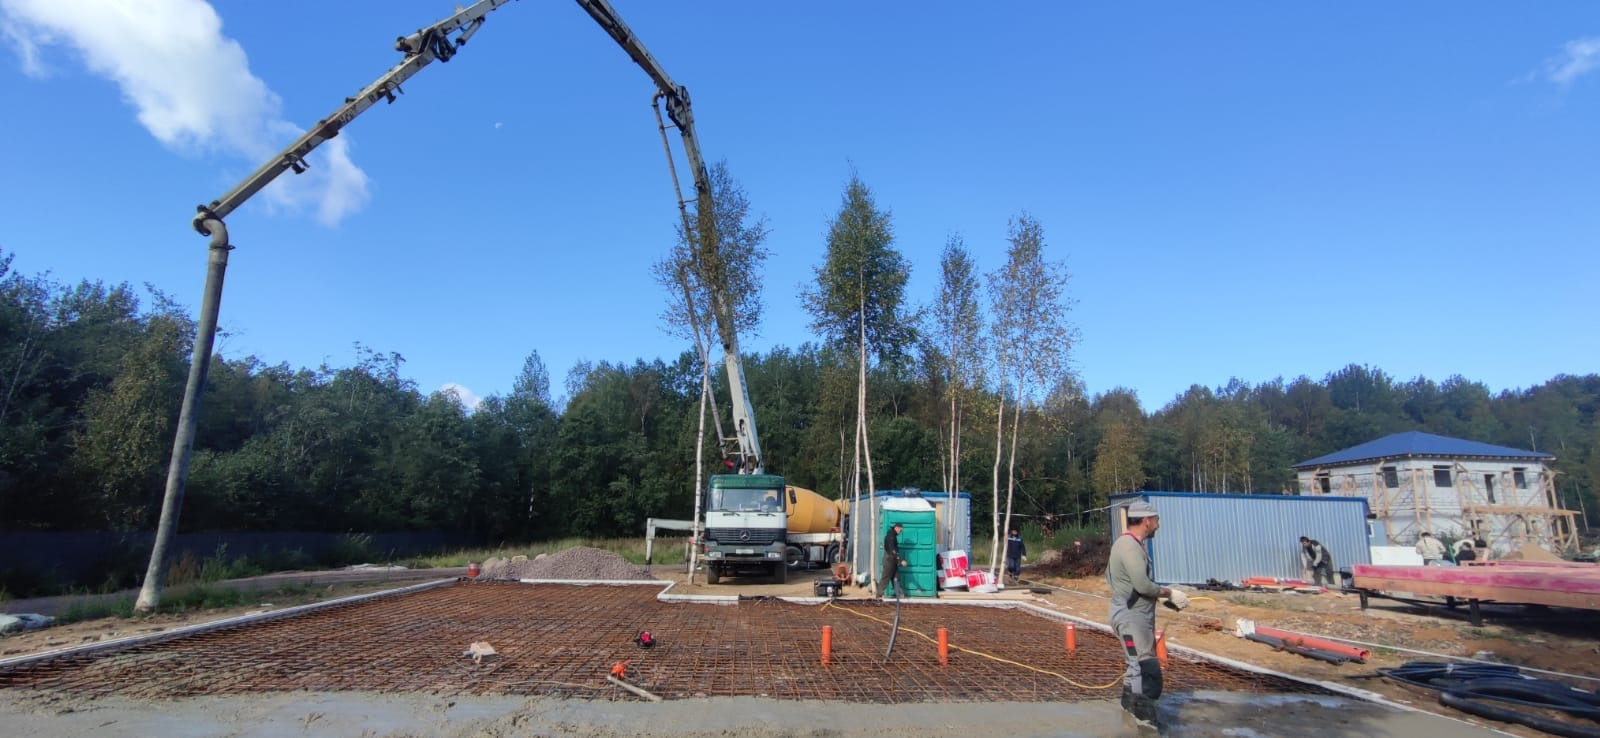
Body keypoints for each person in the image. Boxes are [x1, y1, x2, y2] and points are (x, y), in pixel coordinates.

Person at [1107, 500, 1188, 730]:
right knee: (1147, 671)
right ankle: (1147, 727)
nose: (1158, 525)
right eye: (1156, 521)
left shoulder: (1129, 544)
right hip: (1131, 619)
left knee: (1135, 667)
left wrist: (1159, 597)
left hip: (1132, 616)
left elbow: (1130, 584)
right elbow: (1142, 585)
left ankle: (1129, 719)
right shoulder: (1129, 547)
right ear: (1146, 521)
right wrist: (1169, 592)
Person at [877, 522, 906, 599]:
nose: (900, 532)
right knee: (886, 577)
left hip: (893, 560)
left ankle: (899, 594)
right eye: (900, 530)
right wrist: (900, 560)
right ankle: (879, 594)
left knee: (896, 577)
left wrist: (897, 560)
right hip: (889, 560)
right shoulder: (891, 536)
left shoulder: (892, 535)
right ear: (896, 528)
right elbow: (892, 549)